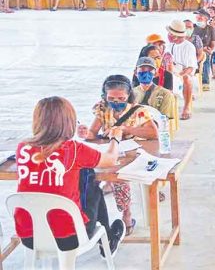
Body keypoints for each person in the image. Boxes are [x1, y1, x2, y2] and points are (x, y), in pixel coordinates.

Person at [16, 97, 125, 257]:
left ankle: (107, 237)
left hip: (29, 237)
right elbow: (111, 159)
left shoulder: (22, 148)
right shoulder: (74, 149)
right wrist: (115, 139)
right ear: (69, 122)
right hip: (70, 238)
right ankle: (108, 238)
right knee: (93, 187)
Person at [81, 75, 158, 235]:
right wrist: (84, 133)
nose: (116, 102)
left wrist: (126, 130)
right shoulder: (103, 109)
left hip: (131, 153)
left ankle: (126, 213)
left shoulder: (138, 111)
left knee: (119, 175)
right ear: (105, 96)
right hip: (111, 151)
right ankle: (94, 214)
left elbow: (153, 133)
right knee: (88, 174)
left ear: (128, 95)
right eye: (111, 98)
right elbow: (93, 134)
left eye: (121, 98)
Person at [165, 20, 197, 120]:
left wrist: (179, 75)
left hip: (184, 72)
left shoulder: (189, 47)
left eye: (170, 33)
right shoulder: (170, 45)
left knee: (187, 79)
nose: (168, 35)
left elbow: (190, 68)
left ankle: (187, 107)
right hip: (172, 70)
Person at [132, 57, 177, 121]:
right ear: (135, 72)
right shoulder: (130, 93)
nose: (146, 73)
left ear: (156, 73)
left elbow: (164, 119)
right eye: (142, 70)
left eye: (150, 70)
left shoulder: (165, 94)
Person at [193, 9, 215, 92]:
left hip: (205, 51)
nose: (198, 18)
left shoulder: (211, 29)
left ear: (206, 19)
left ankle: (205, 81)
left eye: (201, 17)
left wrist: (206, 49)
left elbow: (212, 45)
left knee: (205, 57)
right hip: (193, 50)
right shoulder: (192, 27)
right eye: (197, 16)